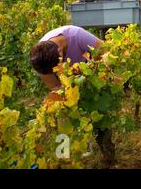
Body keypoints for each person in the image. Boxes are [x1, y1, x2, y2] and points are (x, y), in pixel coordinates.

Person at [30, 25, 115, 168]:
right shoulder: (40, 58)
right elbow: (55, 87)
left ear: (60, 52)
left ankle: (108, 156)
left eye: (56, 68)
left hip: (92, 81)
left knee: (100, 119)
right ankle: (63, 158)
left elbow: (106, 52)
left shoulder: (77, 35)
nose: (54, 71)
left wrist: (95, 70)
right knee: (62, 117)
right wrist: (68, 100)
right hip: (66, 86)